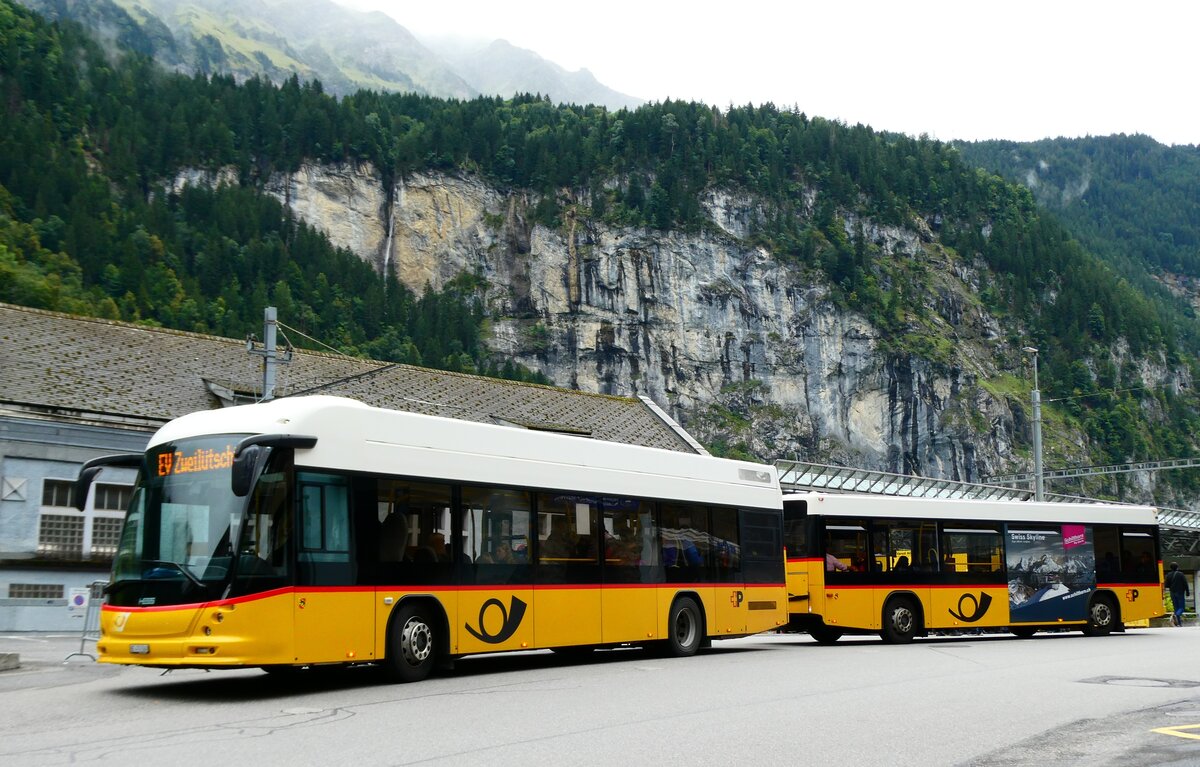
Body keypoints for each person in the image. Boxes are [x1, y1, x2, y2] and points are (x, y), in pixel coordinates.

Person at [1166, 562, 1190, 627]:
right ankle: (1177, 616)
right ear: (1177, 567)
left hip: (1172, 593)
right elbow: (1185, 583)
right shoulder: (1181, 574)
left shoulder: (1168, 575)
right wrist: (1187, 592)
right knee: (1181, 608)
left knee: (1176, 608)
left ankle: (1179, 623)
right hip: (1180, 592)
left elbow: (1166, 585)